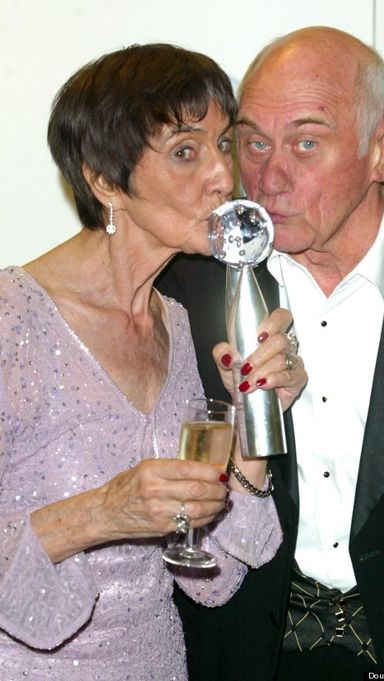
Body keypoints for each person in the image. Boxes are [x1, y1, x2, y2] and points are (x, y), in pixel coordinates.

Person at [157, 26, 384, 679]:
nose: (270, 177)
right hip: (253, 654)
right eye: (253, 143)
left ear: (382, 147)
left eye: (306, 143)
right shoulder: (194, 282)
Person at [0, 43, 307, 680]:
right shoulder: (11, 317)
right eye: (184, 152)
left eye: (224, 145)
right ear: (103, 180)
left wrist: (255, 427)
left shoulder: (184, 325)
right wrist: (103, 511)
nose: (224, 177)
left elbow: (213, 580)